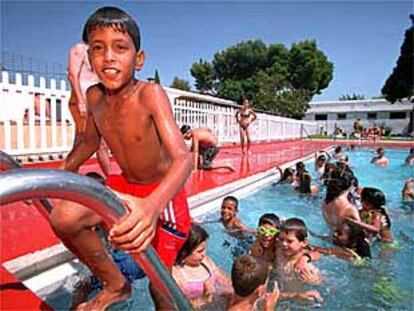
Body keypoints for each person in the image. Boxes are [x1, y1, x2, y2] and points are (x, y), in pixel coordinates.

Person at [53, 7, 192, 310]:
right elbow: (89, 141)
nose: (109, 57)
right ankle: (117, 285)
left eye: (120, 47)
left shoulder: (150, 95)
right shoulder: (94, 97)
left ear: (138, 59)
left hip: (162, 197)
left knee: (161, 286)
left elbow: (184, 158)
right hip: (125, 186)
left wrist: (152, 207)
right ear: (90, 59)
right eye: (98, 49)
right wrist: (59, 175)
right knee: (64, 218)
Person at [67, 41, 111, 176]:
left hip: (95, 103)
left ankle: (111, 180)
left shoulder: (99, 54)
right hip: (83, 100)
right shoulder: (80, 49)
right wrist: (80, 100)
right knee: (82, 142)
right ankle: (67, 177)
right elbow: (72, 75)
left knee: (101, 144)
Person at [172, 225, 232, 309]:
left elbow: (225, 281)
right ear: (184, 252)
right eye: (199, 251)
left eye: (205, 249)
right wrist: (204, 298)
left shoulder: (206, 262)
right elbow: (177, 306)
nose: (204, 254)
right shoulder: (177, 275)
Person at [275, 218, 323, 286]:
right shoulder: (278, 250)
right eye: (281, 239)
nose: (283, 244)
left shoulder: (303, 266)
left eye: (289, 241)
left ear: (303, 243)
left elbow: (321, 281)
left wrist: (315, 281)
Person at [322, 167, 360, 233]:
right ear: (352, 183)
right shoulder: (350, 209)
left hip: (331, 237)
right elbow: (360, 234)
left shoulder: (324, 203)